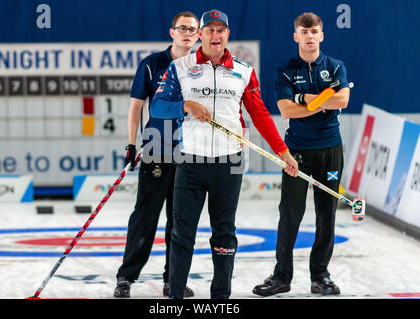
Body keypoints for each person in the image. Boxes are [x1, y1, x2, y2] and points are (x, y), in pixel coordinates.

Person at [151, 9, 299, 299]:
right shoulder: (180, 67)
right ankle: (176, 297)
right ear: (200, 34)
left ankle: (221, 297)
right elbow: (156, 107)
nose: (215, 35)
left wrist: (283, 151)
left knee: (224, 234)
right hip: (190, 161)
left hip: (228, 162)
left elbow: (260, 114)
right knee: (182, 234)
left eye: (221, 30)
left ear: (227, 34)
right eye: (210, 30)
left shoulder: (244, 70)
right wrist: (186, 106)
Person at [252, 12, 351, 297]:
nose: (310, 36)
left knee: (326, 214)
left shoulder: (335, 66)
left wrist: (306, 100)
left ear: (322, 35)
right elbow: (285, 110)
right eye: (304, 32)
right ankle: (282, 276)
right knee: (290, 213)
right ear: (296, 36)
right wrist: (322, 101)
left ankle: (320, 276)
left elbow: (343, 99)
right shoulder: (285, 70)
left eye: (314, 32)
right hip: (297, 150)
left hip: (330, 148)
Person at [113, 11, 200, 298]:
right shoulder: (152, 65)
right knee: (145, 216)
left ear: (198, 35)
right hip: (157, 150)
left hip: (190, 152)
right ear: (172, 31)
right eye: (183, 28)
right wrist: (131, 143)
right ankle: (126, 277)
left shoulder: (201, 66)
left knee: (180, 220)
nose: (188, 33)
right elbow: (136, 105)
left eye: (193, 29)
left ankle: (171, 280)